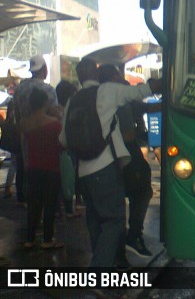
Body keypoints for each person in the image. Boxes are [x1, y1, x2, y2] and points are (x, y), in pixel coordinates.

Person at [59, 57, 162, 268]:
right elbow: (139, 92)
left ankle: (104, 265)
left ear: (79, 76)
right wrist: (163, 82)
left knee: (95, 223)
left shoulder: (72, 101)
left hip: (83, 172)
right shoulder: (106, 91)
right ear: (96, 74)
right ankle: (98, 274)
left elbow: (62, 140)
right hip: (105, 168)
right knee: (114, 222)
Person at [98, 64, 154, 259]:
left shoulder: (95, 96)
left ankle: (116, 249)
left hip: (102, 158)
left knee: (116, 199)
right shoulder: (118, 96)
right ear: (114, 77)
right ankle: (133, 236)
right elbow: (129, 131)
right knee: (143, 190)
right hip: (126, 152)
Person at [12, 54, 61, 207]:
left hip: (26, 135)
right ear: (45, 70)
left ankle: (32, 209)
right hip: (47, 138)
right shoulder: (48, 90)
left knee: (30, 171)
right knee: (47, 175)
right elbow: (55, 114)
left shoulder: (20, 89)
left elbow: (17, 114)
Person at [21, 88, 64, 249]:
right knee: (49, 204)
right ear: (45, 102)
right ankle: (47, 239)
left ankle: (30, 239)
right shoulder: (54, 123)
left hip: (32, 167)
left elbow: (24, 145)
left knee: (34, 205)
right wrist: (60, 116)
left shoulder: (24, 122)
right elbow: (62, 144)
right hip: (51, 168)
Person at [55, 80, 83, 218]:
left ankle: (62, 207)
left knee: (63, 178)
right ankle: (68, 208)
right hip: (68, 148)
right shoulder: (65, 110)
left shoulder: (55, 109)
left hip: (59, 149)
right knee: (69, 176)